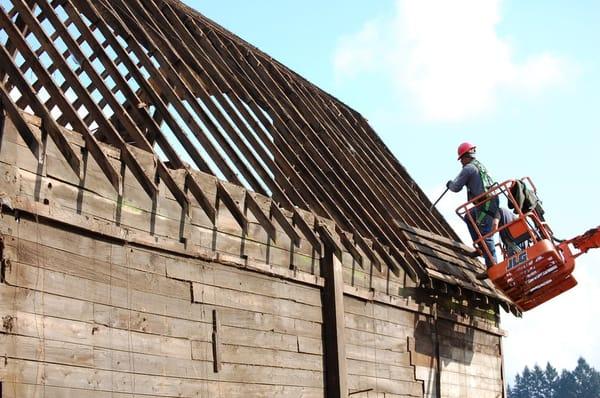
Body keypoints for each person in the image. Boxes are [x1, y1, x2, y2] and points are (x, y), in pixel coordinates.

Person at [446, 142, 499, 278]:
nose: (461, 162)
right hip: (489, 201)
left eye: (461, 159)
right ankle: (481, 248)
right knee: (469, 217)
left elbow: (456, 187)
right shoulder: (479, 166)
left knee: (485, 235)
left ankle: (492, 267)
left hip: (485, 204)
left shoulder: (468, 169)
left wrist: (450, 184)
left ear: (466, 156)